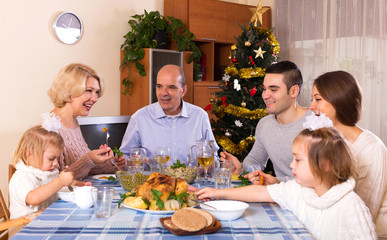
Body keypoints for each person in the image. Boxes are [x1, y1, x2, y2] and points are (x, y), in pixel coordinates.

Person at [196, 119, 377, 239]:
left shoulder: (350, 207)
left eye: (297, 159)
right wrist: (218, 192)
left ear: (324, 164)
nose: (291, 165)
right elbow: (262, 192)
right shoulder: (299, 191)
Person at [309, 70, 387, 239]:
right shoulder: (327, 141)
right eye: (312, 99)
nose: (311, 106)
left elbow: (365, 212)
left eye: (318, 99)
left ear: (339, 100)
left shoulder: (372, 148)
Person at [223, 61, 310, 182]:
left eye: (273, 90)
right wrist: (242, 168)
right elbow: (255, 160)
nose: (265, 95)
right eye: (264, 89)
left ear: (294, 91)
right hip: (279, 197)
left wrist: (278, 182)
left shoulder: (316, 123)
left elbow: (323, 179)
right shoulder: (265, 124)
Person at [120, 64, 219, 166]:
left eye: (171, 87)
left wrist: (211, 166)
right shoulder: (139, 118)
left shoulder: (200, 116)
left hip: (190, 182)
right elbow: (124, 157)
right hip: (153, 181)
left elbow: (213, 157)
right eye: (159, 86)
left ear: (183, 91)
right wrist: (132, 161)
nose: (163, 93)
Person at [47, 63, 126, 180]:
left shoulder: (73, 123)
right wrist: (89, 159)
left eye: (97, 92)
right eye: (89, 90)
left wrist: (110, 164)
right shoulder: (49, 128)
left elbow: (85, 169)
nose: (95, 99)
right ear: (69, 90)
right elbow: (52, 182)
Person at [9, 124, 75, 219]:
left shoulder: (48, 172)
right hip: (25, 229)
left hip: (46, 222)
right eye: (51, 159)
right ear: (30, 154)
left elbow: (57, 188)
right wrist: (60, 181)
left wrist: (75, 183)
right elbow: (33, 198)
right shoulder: (21, 177)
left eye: (57, 158)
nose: (56, 163)